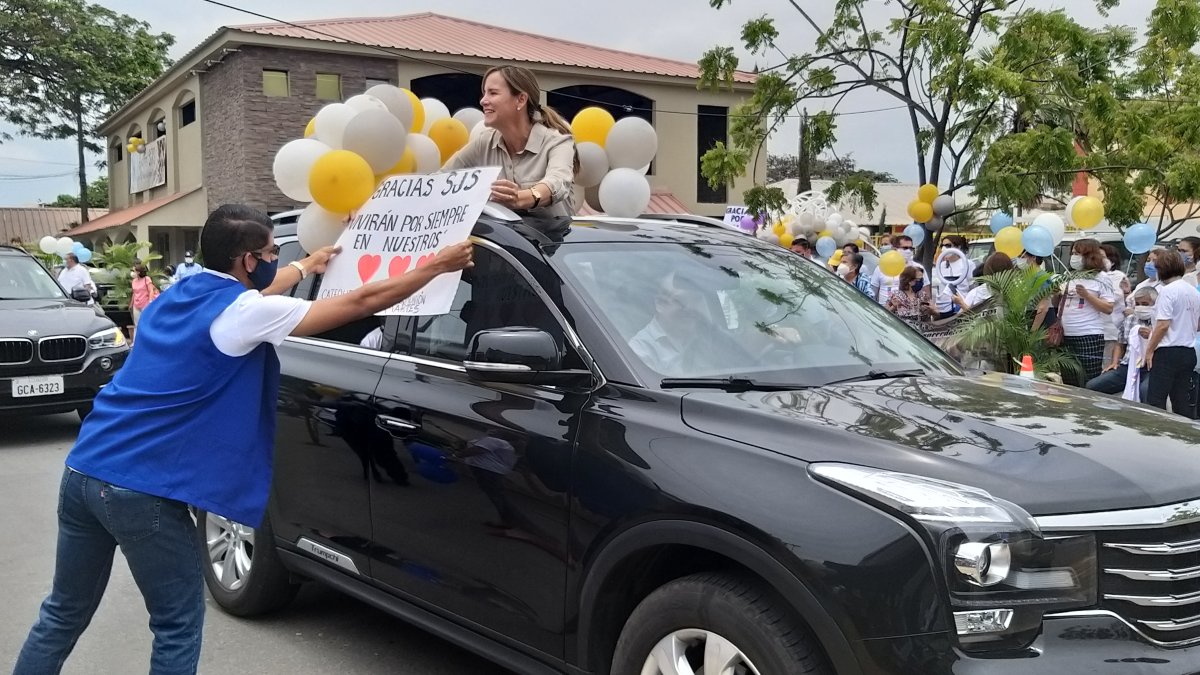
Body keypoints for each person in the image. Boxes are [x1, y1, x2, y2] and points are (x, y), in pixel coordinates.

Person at [12, 204, 474, 674]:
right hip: (139, 490)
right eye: (272, 251)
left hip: (84, 470)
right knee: (176, 626)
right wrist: (436, 265)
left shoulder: (182, 291)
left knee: (63, 612)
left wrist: (305, 265)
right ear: (248, 260)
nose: (277, 259)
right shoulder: (244, 313)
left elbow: (252, 298)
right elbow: (357, 303)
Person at [443, 65, 575, 217]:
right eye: (484, 93)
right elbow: (440, 178)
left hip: (553, 240)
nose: (483, 101)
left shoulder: (558, 143)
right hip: (502, 240)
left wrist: (521, 198)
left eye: (493, 93)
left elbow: (558, 182)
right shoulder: (483, 143)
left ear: (521, 99)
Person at [1145, 250, 1200, 417]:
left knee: (1156, 399)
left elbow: (1163, 325)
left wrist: (1149, 350)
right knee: (1181, 400)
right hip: (1188, 350)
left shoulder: (1167, 291)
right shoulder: (1192, 291)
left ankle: (1158, 435)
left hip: (1168, 351)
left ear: (1161, 269)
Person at [1059, 238, 1116, 386]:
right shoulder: (1070, 276)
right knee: (1069, 379)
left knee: (1089, 379)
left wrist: (1087, 295)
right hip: (1066, 334)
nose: (1074, 257)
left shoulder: (1101, 277)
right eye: (1073, 253)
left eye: (1077, 253)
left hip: (1088, 334)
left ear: (1089, 255)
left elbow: (1108, 308)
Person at [1087, 286, 1157, 402]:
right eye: (1138, 303)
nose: (1140, 307)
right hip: (1128, 366)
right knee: (1092, 386)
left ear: (1155, 304)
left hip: (1150, 367)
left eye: (1145, 304)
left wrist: (1152, 335)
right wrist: (1114, 362)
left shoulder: (1160, 321)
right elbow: (1120, 343)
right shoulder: (1130, 319)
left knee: (1146, 391)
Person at [1099, 244, 1130, 365]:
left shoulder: (1118, 275)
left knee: (1107, 364)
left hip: (1111, 328)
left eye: (1102, 256)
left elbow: (1116, 296)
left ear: (1111, 260)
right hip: (1095, 328)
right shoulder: (1093, 275)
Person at [870, 235, 919, 305]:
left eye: (911, 248)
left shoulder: (918, 268)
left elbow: (925, 292)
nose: (908, 251)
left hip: (908, 312)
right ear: (895, 249)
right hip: (886, 311)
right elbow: (873, 293)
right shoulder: (881, 268)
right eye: (905, 248)